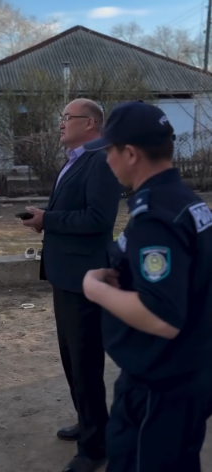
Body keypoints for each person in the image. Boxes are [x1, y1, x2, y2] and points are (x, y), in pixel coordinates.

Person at [82, 101, 212, 472]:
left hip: (159, 387)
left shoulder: (156, 214)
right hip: (187, 374)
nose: (107, 159)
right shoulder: (186, 202)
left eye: (109, 150)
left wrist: (95, 288)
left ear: (131, 154)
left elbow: (162, 316)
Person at [22, 99, 121, 472]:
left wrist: (48, 220)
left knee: (85, 361)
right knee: (72, 359)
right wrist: (45, 218)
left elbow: (99, 218)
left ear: (90, 123)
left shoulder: (102, 160)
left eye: (67, 118)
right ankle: (89, 421)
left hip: (85, 279)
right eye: (61, 117)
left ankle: (95, 448)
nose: (61, 123)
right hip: (66, 275)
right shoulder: (76, 159)